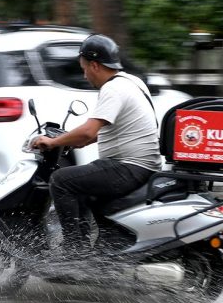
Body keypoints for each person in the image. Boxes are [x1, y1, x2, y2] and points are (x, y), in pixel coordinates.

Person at [31, 34, 162, 251]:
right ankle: (96, 247)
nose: (84, 75)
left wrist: (53, 142)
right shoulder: (132, 81)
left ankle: (74, 250)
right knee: (80, 180)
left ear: (94, 65)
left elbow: (89, 130)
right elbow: (97, 133)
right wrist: (71, 142)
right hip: (140, 165)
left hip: (129, 167)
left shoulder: (113, 89)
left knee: (61, 180)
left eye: (84, 68)